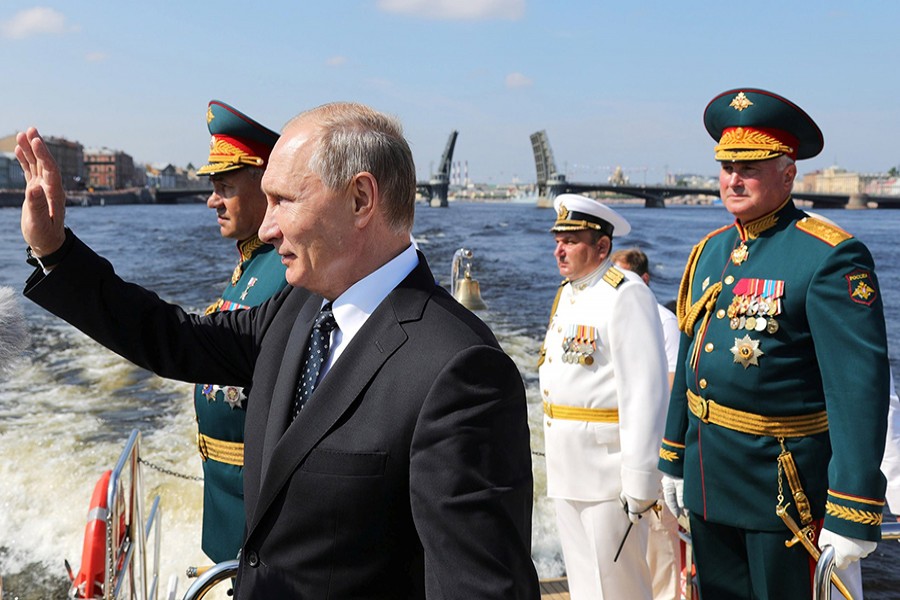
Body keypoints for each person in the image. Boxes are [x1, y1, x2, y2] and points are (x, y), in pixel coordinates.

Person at [16, 102, 540, 599]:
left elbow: (478, 586)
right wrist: (56, 250)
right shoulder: (298, 309)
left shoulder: (460, 371)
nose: (266, 228)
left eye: (283, 200)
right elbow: (174, 338)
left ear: (361, 200)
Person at [658, 88, 890, 599]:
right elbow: (691, 359)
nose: (733, 180)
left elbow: (858, 391)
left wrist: (853, 507)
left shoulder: (829, 259)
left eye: (752, 167)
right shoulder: (709, 252)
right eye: (726, 166)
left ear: (789, 173)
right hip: (708, 479)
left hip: (783, 495)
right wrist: (672, 457)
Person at [538, 194, 669, 600]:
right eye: (558, 239)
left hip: (608, 476)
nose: (560, 248)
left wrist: (640, 479)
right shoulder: (570, 292)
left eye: (572, 240)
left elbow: (645, 392)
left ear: (602, 247)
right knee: (585, 586)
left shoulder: (624, 293)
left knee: (617, 589)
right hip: (568, 467)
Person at [192, 100, 287, 563]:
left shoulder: (286, 273)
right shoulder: (252, 264)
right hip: (227, 498)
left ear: (265, 184)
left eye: (224, 186)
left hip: (260, 511)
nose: (213, 200)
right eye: (213, 188)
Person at [611, 247, 681, 600]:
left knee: (660, 545)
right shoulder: (611, 314)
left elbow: (668, 384)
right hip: (622, 447)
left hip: (655, 448)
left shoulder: (662, 321)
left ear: (644, 280)